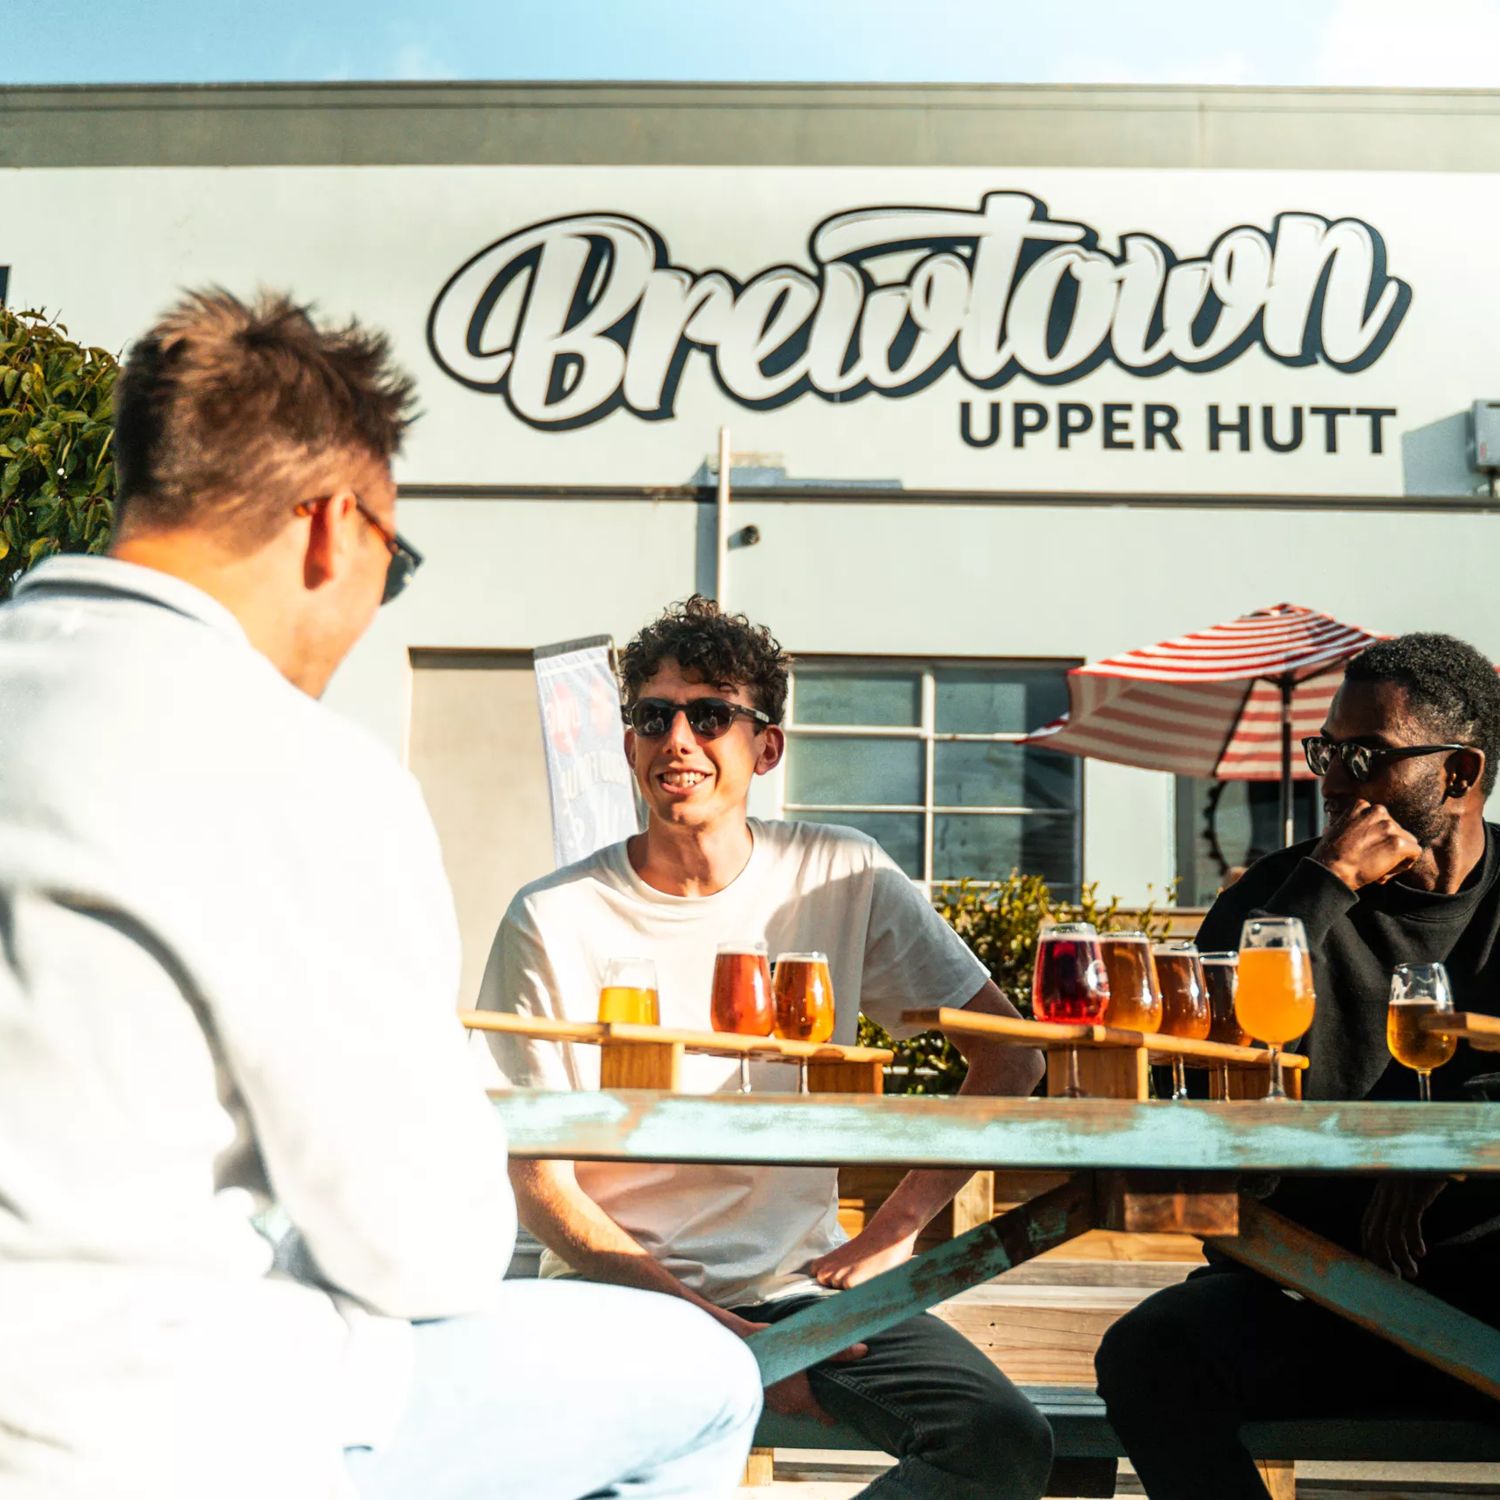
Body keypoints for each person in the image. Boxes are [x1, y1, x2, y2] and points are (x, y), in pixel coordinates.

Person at [0, 291, 759, 1500]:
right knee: (702, 1375)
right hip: (131, 1431)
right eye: (391, 567)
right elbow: (427, 1249)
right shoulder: (297, 769)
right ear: (331, 529)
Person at [476, 595, 1055, 1500]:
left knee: (1000, 1442)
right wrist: (721, 1339)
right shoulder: (554, 916)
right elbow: (539, 1182)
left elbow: (1013, 1055)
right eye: (653, 717)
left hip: (801, 1294)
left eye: (710, 716)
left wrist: (894, 1232)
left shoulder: (839, 872)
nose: (677, 740)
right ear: (627, 743)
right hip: (615, 1296)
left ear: (767, 747)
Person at [1096, 633, 1500, 1500]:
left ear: (1459, 774)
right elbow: (1197, 1082)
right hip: (1303, 1293)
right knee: (1151, 1353)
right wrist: (1322, 890)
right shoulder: (1274, 901)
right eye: (1327, 751)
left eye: (1367, 756)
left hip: (1486, 1291)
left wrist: (1440, 1151)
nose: (1336, 780)